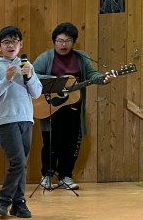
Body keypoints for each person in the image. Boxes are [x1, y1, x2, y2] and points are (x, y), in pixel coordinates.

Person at [32, 22, 110, 190]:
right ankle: (46, 176)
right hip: (51, 108)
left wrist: (102, 79)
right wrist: (57, 82)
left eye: (68, 41)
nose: (64, 44)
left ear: (73, 42)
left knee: (71, 143)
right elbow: (33, 75)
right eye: (60, 41)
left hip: (74, 108)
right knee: (51, 144)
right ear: (54, 41)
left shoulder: (81, 57)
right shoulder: (46, 57)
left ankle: (65, 176)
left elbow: (91, 74)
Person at [0, 25, 43, 218]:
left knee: (21, 164)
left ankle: (19, 204)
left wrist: (29, 76)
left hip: (26, 118)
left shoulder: (27, 65)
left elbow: (37, 92)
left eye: (15, 42)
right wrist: (6, 80)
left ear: (21, 44)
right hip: (6, 120)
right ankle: (4, 200)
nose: (11, 45)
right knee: (18, 161)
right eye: (6, 42)